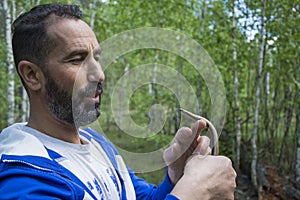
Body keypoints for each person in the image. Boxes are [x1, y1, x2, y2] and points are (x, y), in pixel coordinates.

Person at [0, 3, 236, 200]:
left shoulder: (97, 144)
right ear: (32, 75)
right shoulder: (24, 179)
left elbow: (138, 196)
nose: (99, 74)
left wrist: (177, 176)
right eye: (77, 59)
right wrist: (195, 191)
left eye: (97, 58)